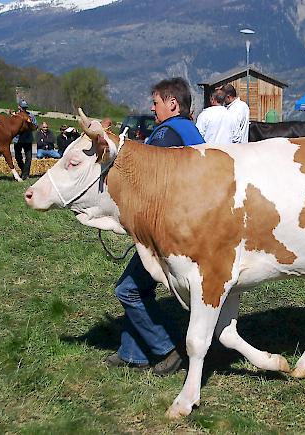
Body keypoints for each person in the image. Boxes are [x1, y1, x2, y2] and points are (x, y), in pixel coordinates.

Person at [105, 77, 205, 375]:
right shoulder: (190, 130)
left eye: (156, 102)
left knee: (128, 289)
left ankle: (166, 350)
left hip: (169, 230)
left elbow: (146, 180)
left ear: (172, 104)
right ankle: (131, 351)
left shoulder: (168, 133)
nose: (152, 107)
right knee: (137, 287)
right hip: (187, 223)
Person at [14, 100, 37, 179]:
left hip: (28, 139)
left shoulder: (31, 115)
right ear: (19, 107)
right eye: (22, 107)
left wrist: (30, 124)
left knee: (29, 157)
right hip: (17, 139)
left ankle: (25, 174)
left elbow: (35, 126)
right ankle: (24, 170)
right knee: (18, 157)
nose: (24, 109)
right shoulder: (15, 115)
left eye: (25, 108)